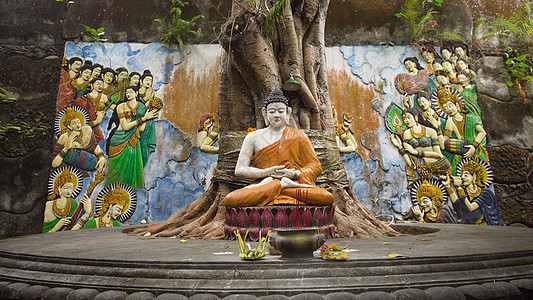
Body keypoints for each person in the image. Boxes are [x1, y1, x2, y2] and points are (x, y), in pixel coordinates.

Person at [224, 88, 334, 207]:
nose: (276, 115)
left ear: (288, 112)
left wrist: (295, 174)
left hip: (291, 182)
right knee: (231, 199)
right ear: (264, 113)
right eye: (272, 112)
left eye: (280, 111)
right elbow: (240, 170)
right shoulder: (253, 137)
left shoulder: (299, 136)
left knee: (327, 197)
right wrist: (265, 173)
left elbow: (315, 166)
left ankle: (282, 186)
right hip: (264, 184)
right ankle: (281, 186)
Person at [105, 86, 158, 189]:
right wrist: (144, 118)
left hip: (134, 140)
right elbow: (125, 127)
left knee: (133, 169)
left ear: (136, 93)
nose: (128, 94)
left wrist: (148, 119)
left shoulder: (142, 107)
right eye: (127, 92)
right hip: (119, 139)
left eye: (131, 92)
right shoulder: (121, 106)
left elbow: (142, 128)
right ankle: (111, 193)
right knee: (114, 172)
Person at [436, 86, 487, 175]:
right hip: (462, 151)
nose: (449, 109)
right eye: (445, 108)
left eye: (450, 106)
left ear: (456, 105)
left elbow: (482, 132)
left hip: (476, 150)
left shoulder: (470, 118)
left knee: (481, 175)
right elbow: (444, 143)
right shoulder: (450, 121)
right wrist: (438, 128)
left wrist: (474, 146)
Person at [390, 108, 451, 182]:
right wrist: (400, 147)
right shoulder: (406, 134)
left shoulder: (430, 131)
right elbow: (412, 165)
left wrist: (416, 152)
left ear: (415, 117)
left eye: (409, 117)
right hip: (425, 169)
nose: (407, 120)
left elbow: (438, 154)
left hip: (441, 165)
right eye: (404, 118)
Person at [442, 160, 502, 225]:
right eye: (462, 175)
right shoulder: (465, 192)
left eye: (466, 175)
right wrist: (448, 187)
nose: (462, 177)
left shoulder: (486, 193)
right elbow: (458, 205)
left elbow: (471, 207)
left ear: (474, 176)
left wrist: (459, 188)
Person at [52, 107, 106, 174]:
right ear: (69, 126)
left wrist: (101, 158)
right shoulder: (64, 138)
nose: (78, 125)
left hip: (92, 165)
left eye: (78, 122)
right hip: (74, 171)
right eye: (74, 123)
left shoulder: (87, 130)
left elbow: (94, 146)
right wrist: (65, 149)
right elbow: (54, 164)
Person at [43, 168, 92, 233]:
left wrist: (87, 214)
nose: (69, 191)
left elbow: (72, 230)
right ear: (59, 189)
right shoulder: (49, 205)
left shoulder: (73, 203)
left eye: (71, 188)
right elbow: (42, 233)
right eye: (66, 188)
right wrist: (56, 228)